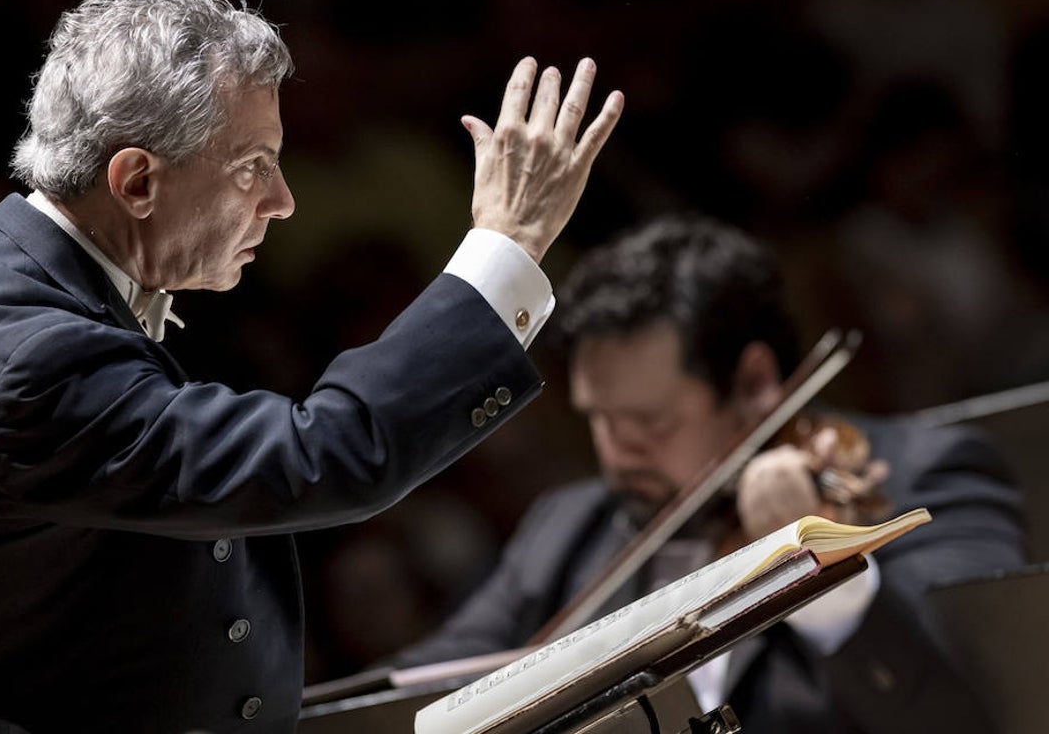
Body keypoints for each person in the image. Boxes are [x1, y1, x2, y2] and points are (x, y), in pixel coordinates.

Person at [0, 0, 624, 733]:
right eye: (253, 165)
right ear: (137, 180)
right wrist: (509, 244)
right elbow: (329, 452)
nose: (282, 200)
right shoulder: (32, 362)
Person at [390, 213, 1028, 734]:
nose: (618, 454)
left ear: (752, 382)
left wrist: (834, 585)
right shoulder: (572, 524)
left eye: (651, 422)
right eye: (598, 419)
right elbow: (417, 695)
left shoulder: (927, 476)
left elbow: (981, 706)